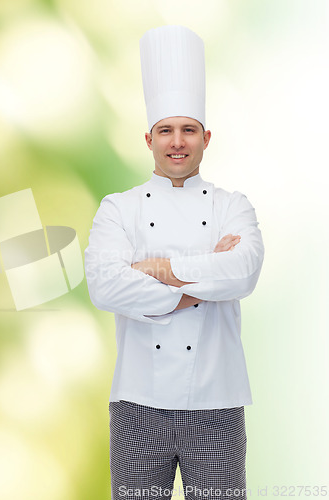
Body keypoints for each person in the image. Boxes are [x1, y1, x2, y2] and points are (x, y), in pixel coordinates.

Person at [84, 25, 264, 500]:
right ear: (148, 138)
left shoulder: (233, 205)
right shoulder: (118, 208)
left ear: (207, 137)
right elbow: (105, 288)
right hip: (138, 406)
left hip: (218, 404)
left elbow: (242, 272)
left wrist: (154, 269)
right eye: (166, 130)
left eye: (188, 129)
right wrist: (204, 277)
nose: (177, 141)